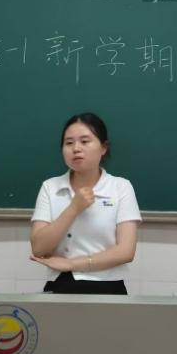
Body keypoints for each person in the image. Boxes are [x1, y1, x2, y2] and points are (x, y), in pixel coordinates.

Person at [29, 113, 141, 295]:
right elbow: (39, 248)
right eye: (69, 143)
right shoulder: (50, 187)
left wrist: (72, 264)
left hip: (108, 285)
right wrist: (74, 208)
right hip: (60, 284)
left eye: (85, 141)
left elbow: (126, 251)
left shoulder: (121, 187)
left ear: (103, 147)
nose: (76, 148)